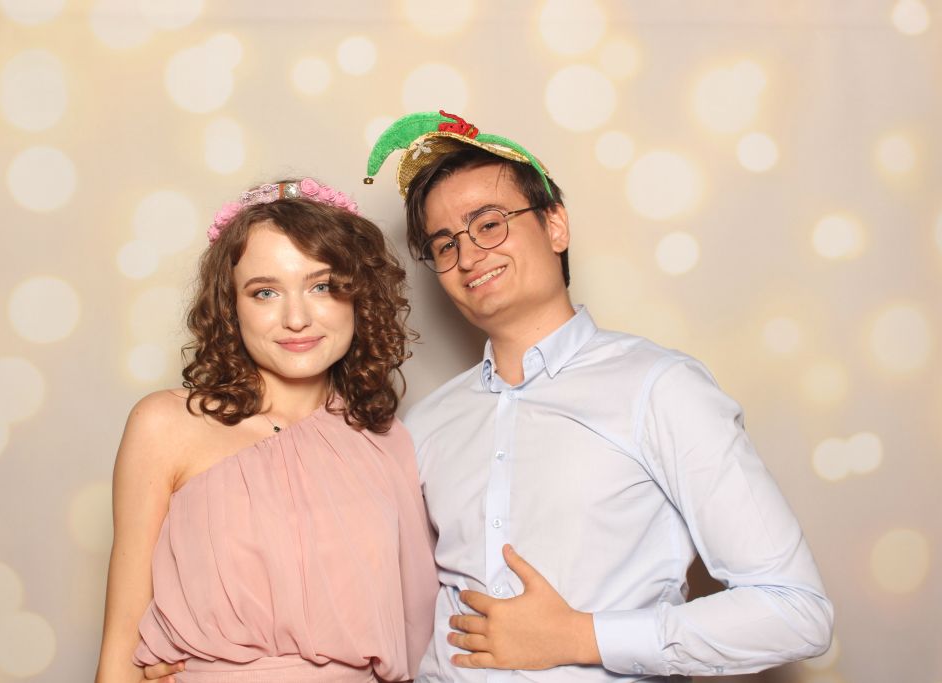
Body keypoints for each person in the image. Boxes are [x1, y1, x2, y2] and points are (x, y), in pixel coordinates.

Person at [361, 110, 834, 681]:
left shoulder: (661, 389)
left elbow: (796, 612)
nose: (468, 256)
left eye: (489, 224)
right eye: (444, 245)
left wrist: (581, 636)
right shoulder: (425, 424)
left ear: (555, 226)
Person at [95, 178, 438, 683]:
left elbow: (420, 638)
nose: (296, 318)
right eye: (265, 292)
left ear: (358, 297)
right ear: (231, 307)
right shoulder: (165, 425)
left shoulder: (388, 442)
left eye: (322, 286)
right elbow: (121, 646)